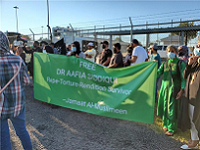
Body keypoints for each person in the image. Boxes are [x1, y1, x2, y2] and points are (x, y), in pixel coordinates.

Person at [0, 31, 32, 150]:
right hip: (18, 105)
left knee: (3, 138)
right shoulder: (18, 60)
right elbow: (27, 81)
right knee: (22, 132)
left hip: (1, 108)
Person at [157, 45, 186, 136]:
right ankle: (166, 124)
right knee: (164, 107)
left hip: (174, 90)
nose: (170, 53)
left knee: (172, 109)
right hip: (164, 89)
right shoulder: (165, 63)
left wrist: (181, 90)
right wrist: (150, 66)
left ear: (177, 53)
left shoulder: (180, 64)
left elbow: (183, 78)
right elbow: (158, 73)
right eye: (169, 51)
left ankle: (172, 128)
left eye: (172, 51)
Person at [179, 55, 200, 149]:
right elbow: (184, 75)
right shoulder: (195, 62)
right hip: (191, 96)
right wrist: (189, 64)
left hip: (198, 98)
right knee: (192, 120)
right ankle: (194, 141)